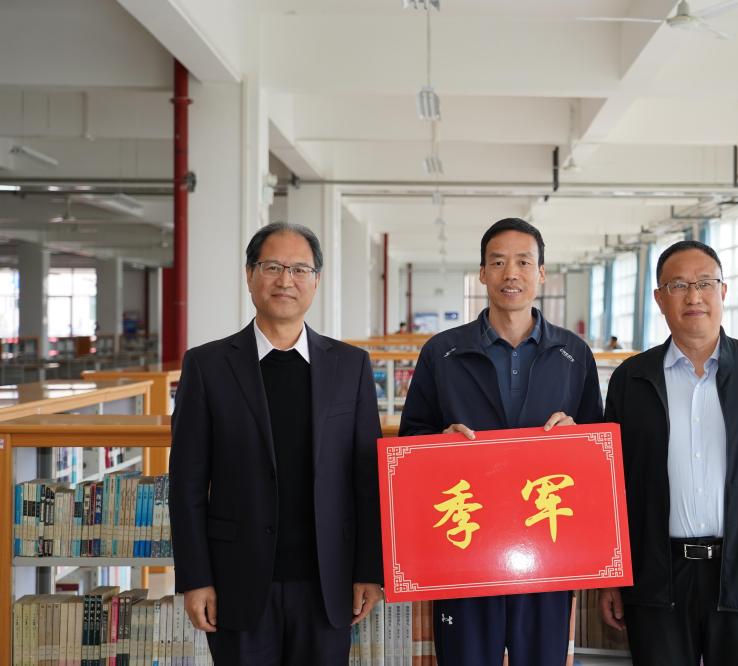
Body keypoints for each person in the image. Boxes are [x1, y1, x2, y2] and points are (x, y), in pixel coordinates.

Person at [169, 222, 384, 665]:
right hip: (237, 580)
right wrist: (195, 578)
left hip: (328, 582)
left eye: (300, 269)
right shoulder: (207, 366)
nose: (286, 280)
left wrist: (369, 570)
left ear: (316, 281)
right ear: (250, 275)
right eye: (272, 267)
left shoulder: (351, 366)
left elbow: (367, 480)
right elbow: (187, 484)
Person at [599, 240, 738, 666]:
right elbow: (611, 488)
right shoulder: (631, 379)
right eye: (678, 285)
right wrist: (611, 575)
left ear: (723, 291)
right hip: (656, 578)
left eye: (704, 283)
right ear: (659, 298)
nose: (693, 296)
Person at [400, 217, 604, 666]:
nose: (511, 273)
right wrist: (437, 443)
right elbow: (411, 441)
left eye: (523, 262)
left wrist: (578, 439)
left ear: (541, 273)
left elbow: (599, 456)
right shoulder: (442, 353)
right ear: (482, 273)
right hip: (464, 547)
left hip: (546, 550)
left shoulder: (573, 355)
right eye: (498, 262)